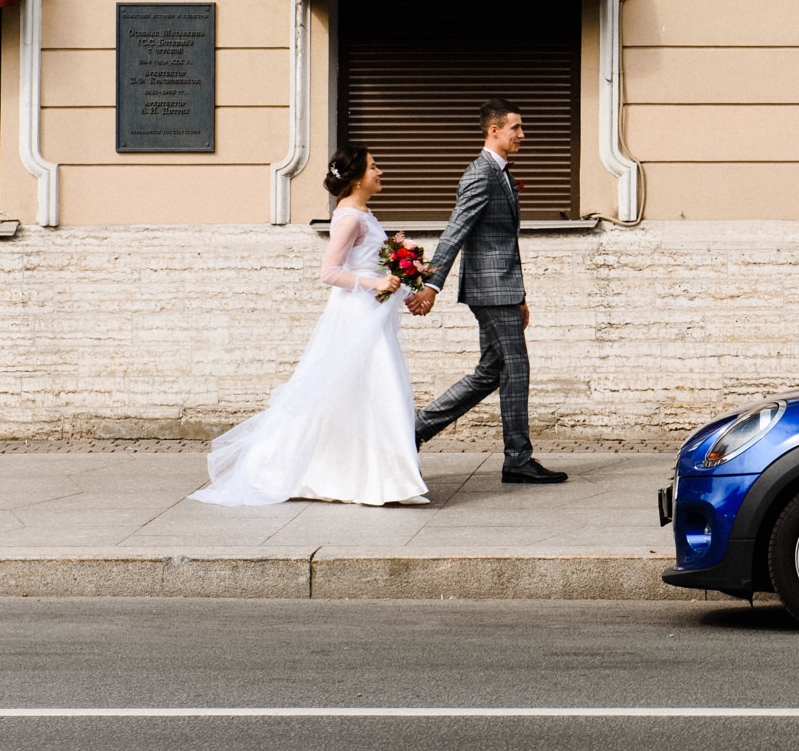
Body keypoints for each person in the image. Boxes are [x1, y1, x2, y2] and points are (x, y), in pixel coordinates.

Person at [191, 145, 430, 507]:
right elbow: (329, 272)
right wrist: (376, 283)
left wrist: (405, 271)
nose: (380, 172)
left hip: (372, 313)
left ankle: (372, 475)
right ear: (356, 178)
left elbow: (373, 261)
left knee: (367, 392)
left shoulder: (364, 213)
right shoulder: (349, 217)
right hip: (356, 315)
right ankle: (356, 476)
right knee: (369, 387)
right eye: (373, 167)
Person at [410, 99, 567, 485]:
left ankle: (416, 429)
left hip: (502, 288)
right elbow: (456, 229)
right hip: (490, 289)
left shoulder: (500, 172)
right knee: (516, 368)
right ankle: (517, 459)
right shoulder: (481, 174)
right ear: (494, 131)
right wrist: (432, 284)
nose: (522, 134)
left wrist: (520, 295)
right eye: (516, 127)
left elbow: (503, 242)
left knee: (490, 372)